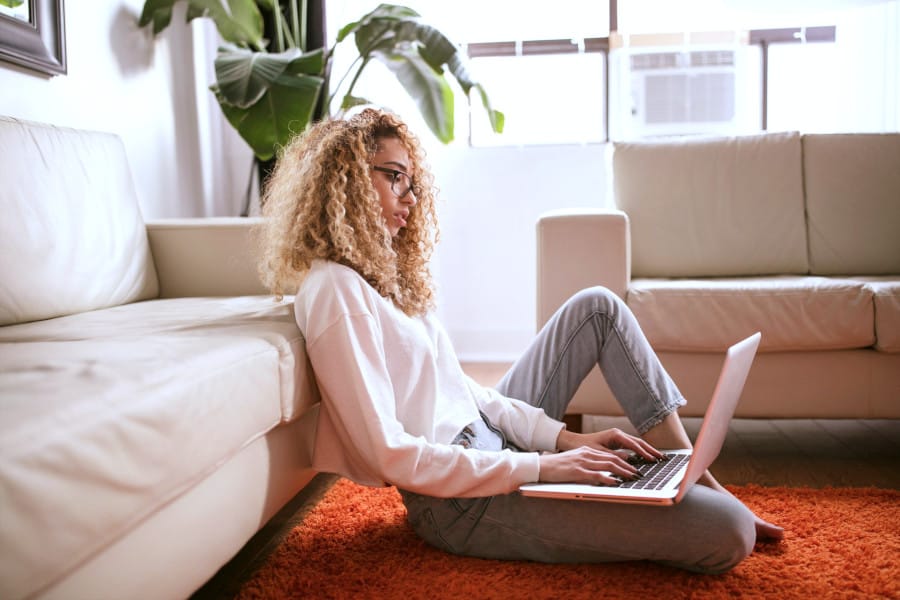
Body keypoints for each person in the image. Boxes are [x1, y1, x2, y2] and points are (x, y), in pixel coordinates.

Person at [257, 108, 783, 574]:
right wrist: (541, 467)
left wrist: (562, 441)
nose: (410, 199)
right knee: (729, 532)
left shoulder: (382, 276)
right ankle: (697, 493)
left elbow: (463, 392)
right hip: (458, 503)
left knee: (596, 306)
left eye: (412, 183)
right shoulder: (335, 290)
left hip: (491, 444)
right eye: (394, 178)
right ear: (344, 180)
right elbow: (390, 454)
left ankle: (690, 471)